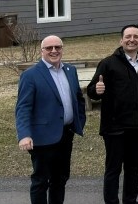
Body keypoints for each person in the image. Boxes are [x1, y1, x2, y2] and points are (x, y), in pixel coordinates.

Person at [87, 24, 138, 204]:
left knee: (133, 169)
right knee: (113, 169)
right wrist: (97, 90)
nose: (132, 39)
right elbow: (90, 91)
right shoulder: (108, 63)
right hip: (115, 128)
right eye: (128, 36)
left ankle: (130, 200)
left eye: (136, 36)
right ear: (121, 40)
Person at [15, 35, 86, 204]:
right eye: (49, 48)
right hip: (42, 137)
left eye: (58, 47)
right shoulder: (31, 75)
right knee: (41, 181)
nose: (54, 51)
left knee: (60, 179)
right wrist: (24, 134)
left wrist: (79, 121)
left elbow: (78, 98)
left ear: (62, 49)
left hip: (66, 134)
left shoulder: (70, 70)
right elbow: (23, 107)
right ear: (42, 51)